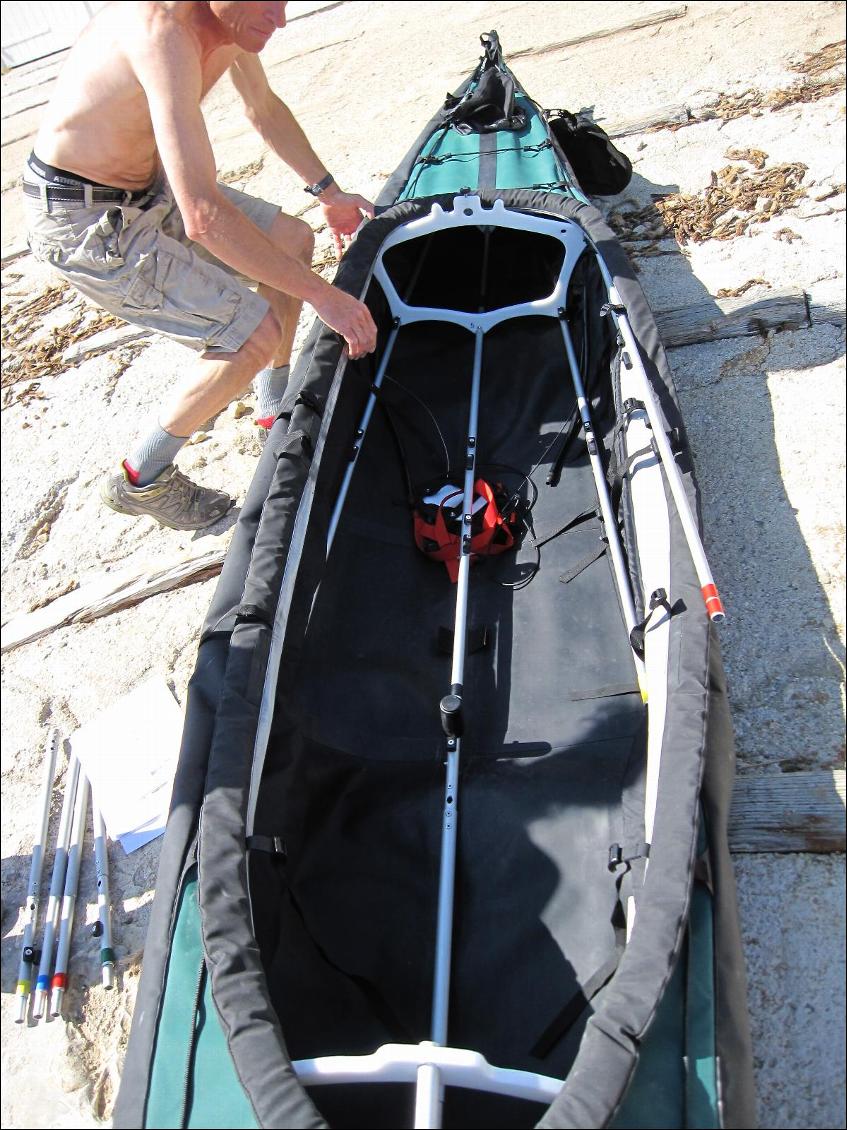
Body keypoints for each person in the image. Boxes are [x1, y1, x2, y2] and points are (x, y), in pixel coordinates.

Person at [23, 0, 378, 530]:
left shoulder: (231, 23)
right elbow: (204, 216)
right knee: (252, 332)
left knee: (293, 240)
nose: (280, 19)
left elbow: (262, 106)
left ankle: (271, 406)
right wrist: (323, 296)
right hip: (84, 215)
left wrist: (328, 191)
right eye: (268, 3)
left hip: (146, 187)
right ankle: (142, 477)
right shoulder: (161, 33)